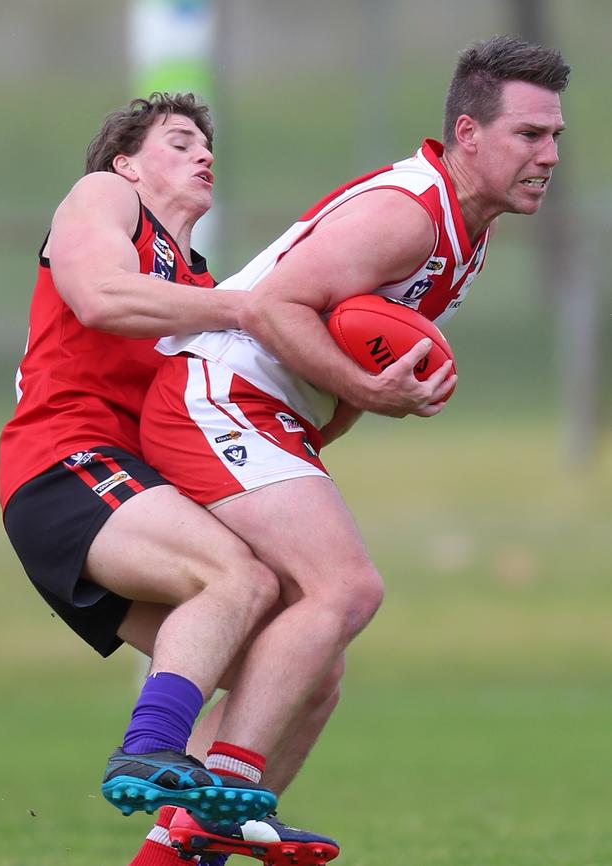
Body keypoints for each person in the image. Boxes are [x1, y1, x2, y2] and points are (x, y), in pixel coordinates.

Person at [132, 34, 569, 863]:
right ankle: (224, 797)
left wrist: (350, 408)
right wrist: (367, 392)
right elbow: (270, 308)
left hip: (265, 415)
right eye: (529, 136)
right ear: (468, 135)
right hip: (217, 396)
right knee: (347, 587)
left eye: (555, 138)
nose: (548, 156)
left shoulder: (467, 230)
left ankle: (179, 849)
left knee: (312, 676)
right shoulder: (409, 212)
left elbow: (341, 343)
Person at [0, 92, 345, 853]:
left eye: (206, 145)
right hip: (65, 466)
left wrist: (368, 375)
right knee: (238, 578)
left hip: (132, 494)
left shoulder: (201, 281)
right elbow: (97, 297)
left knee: (305, 662)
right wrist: (245, 310)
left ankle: (195, 836)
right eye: (180, 141)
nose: (202, 154)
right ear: (127, 163)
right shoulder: (105, 197)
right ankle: (150, 746)